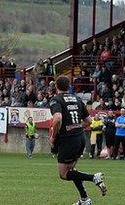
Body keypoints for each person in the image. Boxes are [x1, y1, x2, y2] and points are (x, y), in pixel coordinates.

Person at [48, 75, 106, 205]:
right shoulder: (77, 98)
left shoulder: (55, 100)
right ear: (68, 86)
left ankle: (94, 178)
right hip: (80, 138)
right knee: (72, 170)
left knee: (63, 174)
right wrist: (76, 127)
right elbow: (89, 121)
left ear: (56, 86)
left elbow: (57, 118)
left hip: (68, 141)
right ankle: (85, 199)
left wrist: (53, 137)